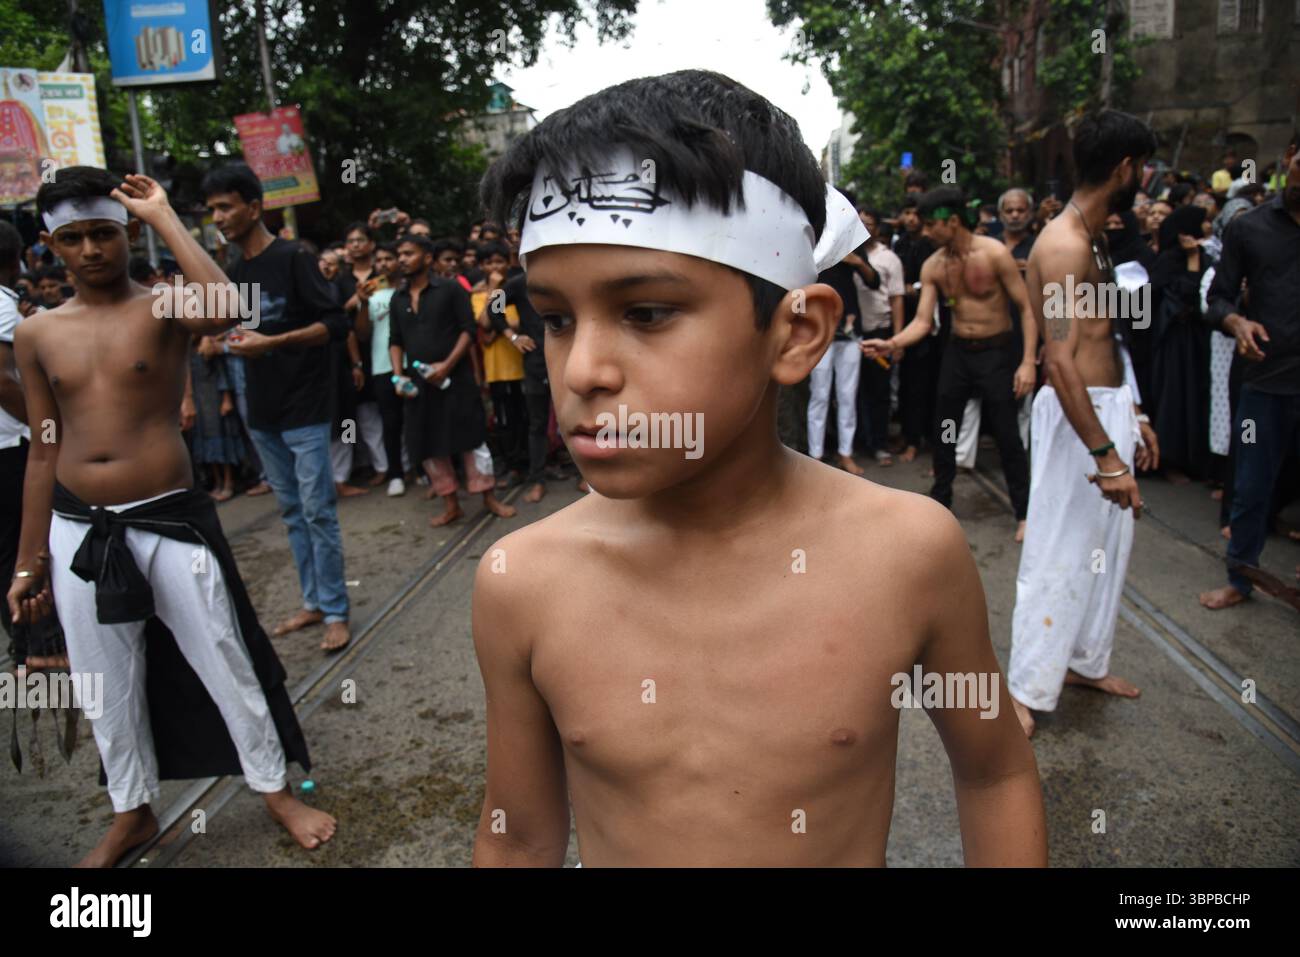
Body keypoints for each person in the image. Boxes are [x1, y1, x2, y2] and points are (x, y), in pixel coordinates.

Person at [472, 69, 1045, 867]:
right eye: (557, 318)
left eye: (646, 312)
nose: (583, 370)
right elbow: (520, 834)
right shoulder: (522, 581)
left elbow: (993, 773)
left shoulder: (910, 553)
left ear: (796, 333)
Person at [9, 166, 334, 866]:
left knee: (224, 656)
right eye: (74, 238)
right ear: (51, 245)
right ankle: (131, 807)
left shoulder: (164, 306)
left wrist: (163, 215)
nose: (92, 249)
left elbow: (230, 306)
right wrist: (28, 560)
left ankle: (275, 787)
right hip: (78, 528)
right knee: (105, 680)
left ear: (125, 232)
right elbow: (42, 450)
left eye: (103, 232)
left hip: (170, 520)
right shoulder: (37, 335)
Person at [1005, 110, 1161, 737]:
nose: (1145, 177)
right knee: (1057, 552)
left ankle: (1082, 662)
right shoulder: (1066, 245)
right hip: (1079, 416)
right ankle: (1024, 688)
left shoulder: (1096, 236)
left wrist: (1134, 412)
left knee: (1104, 550)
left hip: (1108, 406)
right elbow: (1060, 359)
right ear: (1125, 169)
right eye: (1143, 166)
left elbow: (1108, 336)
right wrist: (1106, 456)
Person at [203, 163, 353, 653]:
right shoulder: (236, 271)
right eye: (212, 210)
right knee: (291, 511)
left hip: (305, 409)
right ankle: (313, 602)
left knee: (317, 511)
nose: (218, 217)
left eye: (225, 206)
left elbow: (334, 324)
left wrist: (274, 342)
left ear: (253, 206)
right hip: (261, 411)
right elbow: (246, 331)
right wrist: (224, 341)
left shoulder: (294, 258)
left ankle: (335, 611)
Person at [863, 187, 1038, 540]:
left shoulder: (994, 254)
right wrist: (892, 343)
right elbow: (924, 321)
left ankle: (1024, 512)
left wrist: (1028, 362)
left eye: (931, 224)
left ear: (952, 221)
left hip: (996, 353)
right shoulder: (934, 265)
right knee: (944, 427)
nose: (925, 232)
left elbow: (1026, 308)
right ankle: (941, 501)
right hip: (958, 353)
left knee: (1006, 434)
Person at [1199, 131, 1300, 611]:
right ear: (1289, 158)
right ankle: (1239, 578)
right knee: (1251, 485)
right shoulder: (1250, 227)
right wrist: (1236, 321)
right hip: (1265, 380)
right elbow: (1215, 299)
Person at [388, 234, 516, 527]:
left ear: (427, 258)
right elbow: (395, 340)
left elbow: (468, 330)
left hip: (455, 379)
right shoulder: (399, 298)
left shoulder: (450, 290)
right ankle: (451, 504)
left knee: (472, 438)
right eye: (400, 254)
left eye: (409, 253)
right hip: (418, 385)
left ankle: (489, 498)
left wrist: (446, 366)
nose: (402, 259)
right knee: (428, 443)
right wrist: (398, 375)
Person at [1147, 204, 1212, 483]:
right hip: (1174, 342)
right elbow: (1186, 295)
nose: (1208, 227)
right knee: (1174, 399)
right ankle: (1169, 460)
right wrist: (1192, 257)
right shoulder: (1172, 259)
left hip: (1196, 342)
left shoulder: (1205, 256)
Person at [473, 240, 529, 487]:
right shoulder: (477, 296)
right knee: (505, 420)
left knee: (526, 416)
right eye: (489, 262)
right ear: (481, 266)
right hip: (497, 369)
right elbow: (486, 323)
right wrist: (494, 289)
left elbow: (522, 321)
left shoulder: (517, 288)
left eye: (500, 261)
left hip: (522, 364)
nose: (495, 266)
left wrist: (501, 327)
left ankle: (529, 464)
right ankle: (512, 466)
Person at [354, 242, 406, 496]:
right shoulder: (371, 294)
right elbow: (362, 334)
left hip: (412, 365)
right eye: (380, 259)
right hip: (382, 368)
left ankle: (424, 472)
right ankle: (396, 473)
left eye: (390, 258)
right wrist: (363, 304)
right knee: (391, 423)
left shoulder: (410, 291)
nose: (384, 263)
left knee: (416, 421)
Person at [853, 209, 903, 465]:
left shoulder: (888, 258)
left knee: (879, 391)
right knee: (854, 391)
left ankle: (881, 444)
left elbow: (896, 299)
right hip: (852, 335)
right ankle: (862, 441)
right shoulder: (845, 254)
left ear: (877, 227)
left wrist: (897, 339)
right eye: (859, 222)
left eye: (869, 223)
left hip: (880, 333)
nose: (864, 227)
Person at [892, 197, 936, 463]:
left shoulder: (930, 246)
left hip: (929, 326)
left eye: (915, 213)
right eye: (906, 212)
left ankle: (926, 441)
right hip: (905, 322)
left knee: (926, 386)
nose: (910, 218)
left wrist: (915, 288)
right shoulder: (900, 245)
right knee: (907, 386)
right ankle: (910, 437)